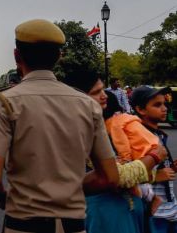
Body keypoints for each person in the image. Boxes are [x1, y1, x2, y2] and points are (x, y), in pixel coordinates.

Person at [0, 19, 119, 233]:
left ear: (17, 56)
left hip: (22, 224)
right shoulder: (87, 105)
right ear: (59, 56)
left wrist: (5, 200)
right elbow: (110, 177)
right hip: (73, 225)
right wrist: (68, 189)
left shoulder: (5, 102)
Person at [70, 73, 167, 233]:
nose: (104, 96)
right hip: (105, 212)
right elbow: (114, 176)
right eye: (96, 92)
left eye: (103, 90)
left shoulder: (105, 125)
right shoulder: (80, 131)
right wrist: (154, 157)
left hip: (125, 209)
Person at [131, 85, 177, 233]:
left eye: (164, 103)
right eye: (157, 105)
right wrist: (155, 177)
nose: (164, 108)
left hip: (170, 210)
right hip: (154, 213)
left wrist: (172, 167)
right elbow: (127, 174)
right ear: (140, 109)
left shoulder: (158, 134)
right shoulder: (137, 137)